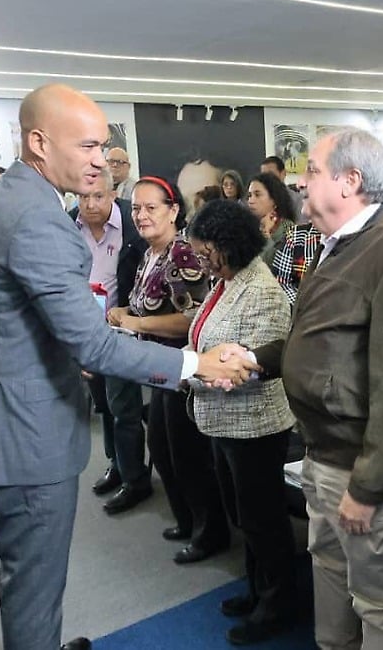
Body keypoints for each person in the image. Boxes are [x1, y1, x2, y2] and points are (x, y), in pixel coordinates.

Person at [0, 83, 256, 650]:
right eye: (86, 146)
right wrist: (195, 364)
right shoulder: (37, 218)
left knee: (26, 567)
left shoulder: (1, 195)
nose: (101, 161)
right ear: (39, 143)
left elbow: (18, 314)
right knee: (34, 576)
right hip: (23, 430)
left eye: (103, 147)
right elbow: (97, 348)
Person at [230, 128, 383, 649]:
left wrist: (368, 489)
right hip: (325, 453)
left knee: (381, 602)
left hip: (363, 466)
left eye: (313, 171)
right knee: (328, 567)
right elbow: (321, 341)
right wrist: (255, 360)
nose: (301, 182)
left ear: (350, 181)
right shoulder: (337, 244)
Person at [186, 199, 299, 645]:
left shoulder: (262, 289)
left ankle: (278, 603)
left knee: (263, 519)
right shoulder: (228, 281)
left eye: (204, 250)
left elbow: (251, 368)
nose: (198, 257)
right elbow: (206, 343)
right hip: (225, 422)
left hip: (255, 424)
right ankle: (257, 590)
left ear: (229, 244)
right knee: (244, 514)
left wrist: (189, 372)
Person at [106, 175, 230, 565]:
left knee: (186, 454)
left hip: (184, 369)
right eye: (136, 208)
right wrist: (124, 312)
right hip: (158, 369)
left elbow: (192, 320)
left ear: (173, 210)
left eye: (151, 208)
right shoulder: (150, 254)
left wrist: (138, 323)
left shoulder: (182, 254)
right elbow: (143, 307)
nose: (141, 215)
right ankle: (188, 520)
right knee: (162, 448)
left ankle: (209, 531)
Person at [70, 168, 153, 515]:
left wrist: (128, 313)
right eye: (83, 197)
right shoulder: (67, 225)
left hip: (121, 332)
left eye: (98, 196)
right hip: (86, 330)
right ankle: (115, 465)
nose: (90, 204)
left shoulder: (134, 227)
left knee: (124, 409)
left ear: (113, 194)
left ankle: (135, 479)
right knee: (103, 405)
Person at [245, 172, 296, 267]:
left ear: (274, 200)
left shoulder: (288, 230)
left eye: (257, 195)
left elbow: (266, 266)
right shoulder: (249, 227)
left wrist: (267, 235)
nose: (250, 201)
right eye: (250, 195)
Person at [270, 221, 322, 305]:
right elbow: (281, 284)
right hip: (300, 308)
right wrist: (303, 308)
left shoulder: (345, 241)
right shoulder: (295, 236)